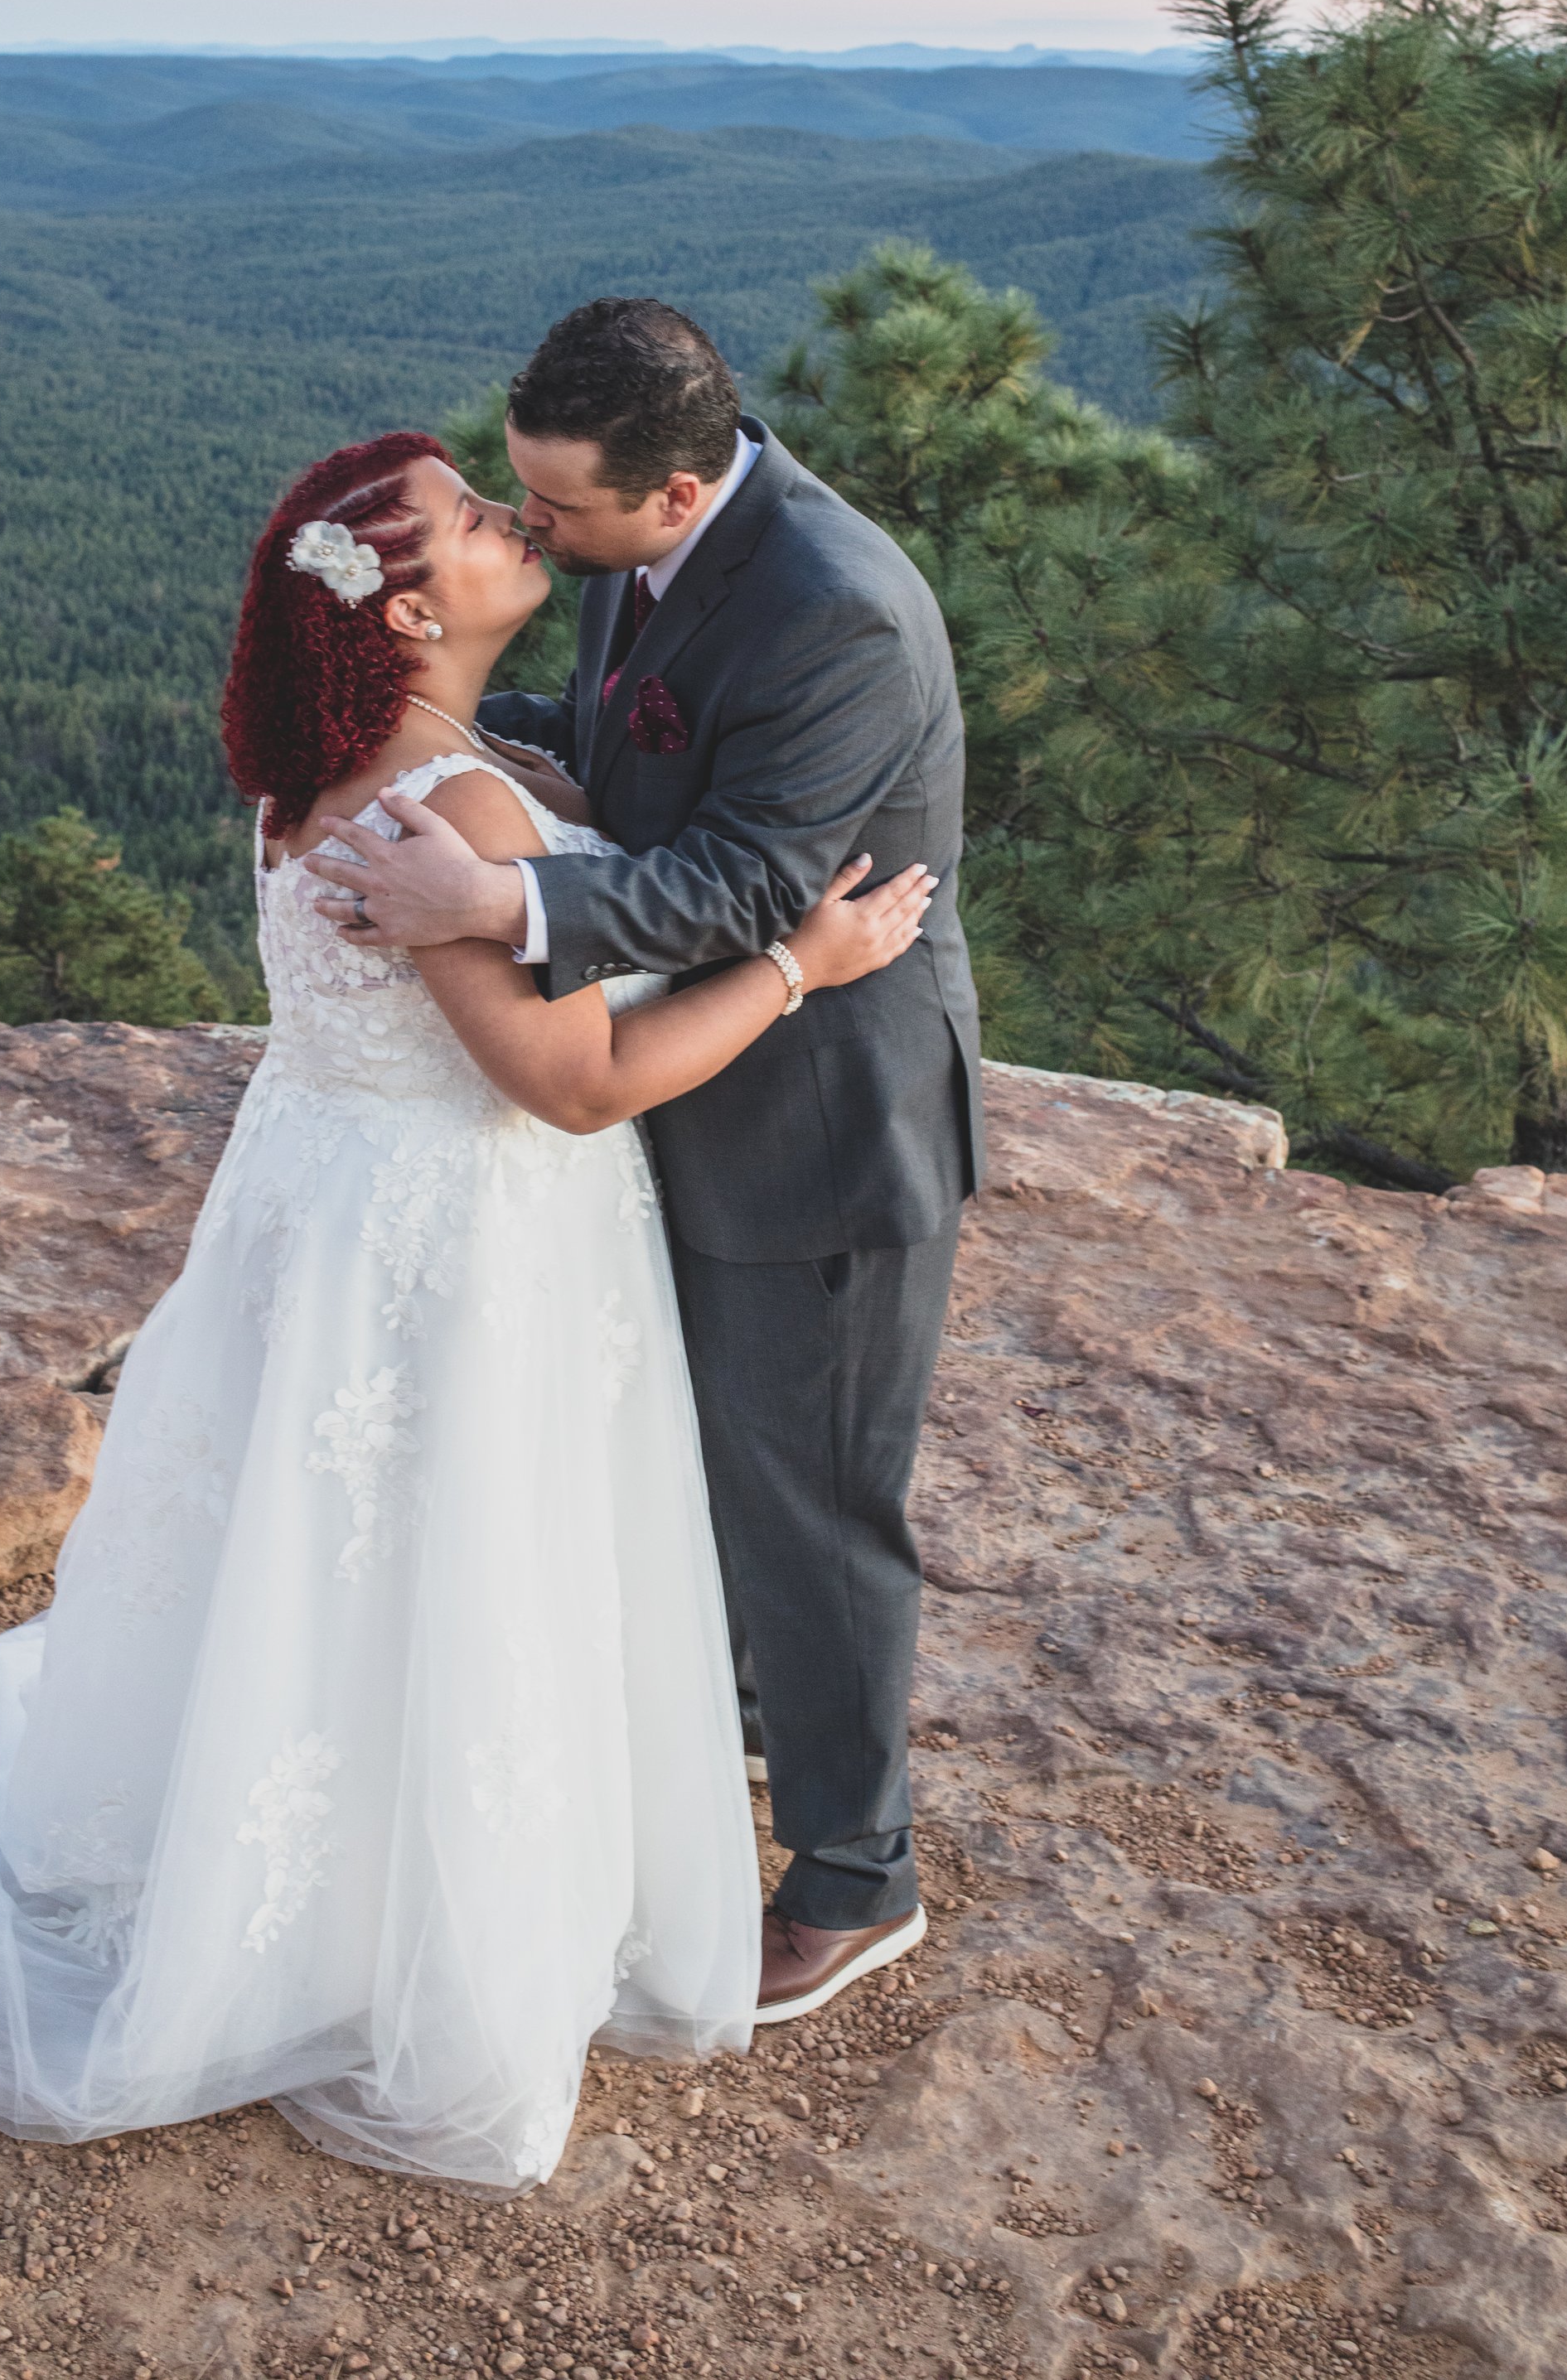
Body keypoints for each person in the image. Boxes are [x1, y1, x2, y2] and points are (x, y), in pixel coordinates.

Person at [0, 429, 931, 2189]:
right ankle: (394, 1922)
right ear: (416, 604)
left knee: (323, 1549)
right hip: (463, 1231)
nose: (520, 529)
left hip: (328, 1202)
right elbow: (568, 1086)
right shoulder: (458, 811)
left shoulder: (325, 766)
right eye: (481, 520)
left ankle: (285, 1836)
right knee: (447, 1555)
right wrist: (805, 964)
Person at [304, 300, 984, 2027]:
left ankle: (853, 1880)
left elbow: (753, 885)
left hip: (816, 1129)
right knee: (708, 1476)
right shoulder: (641, 543)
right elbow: (630, 750)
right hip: (681, 1094)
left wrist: (500, 896)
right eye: (517, 504)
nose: (533, 534)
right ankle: (720, 1739)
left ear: (675, 491)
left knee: (816, 1511)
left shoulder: (838, 614)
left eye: (562, 514)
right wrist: (442, 738)